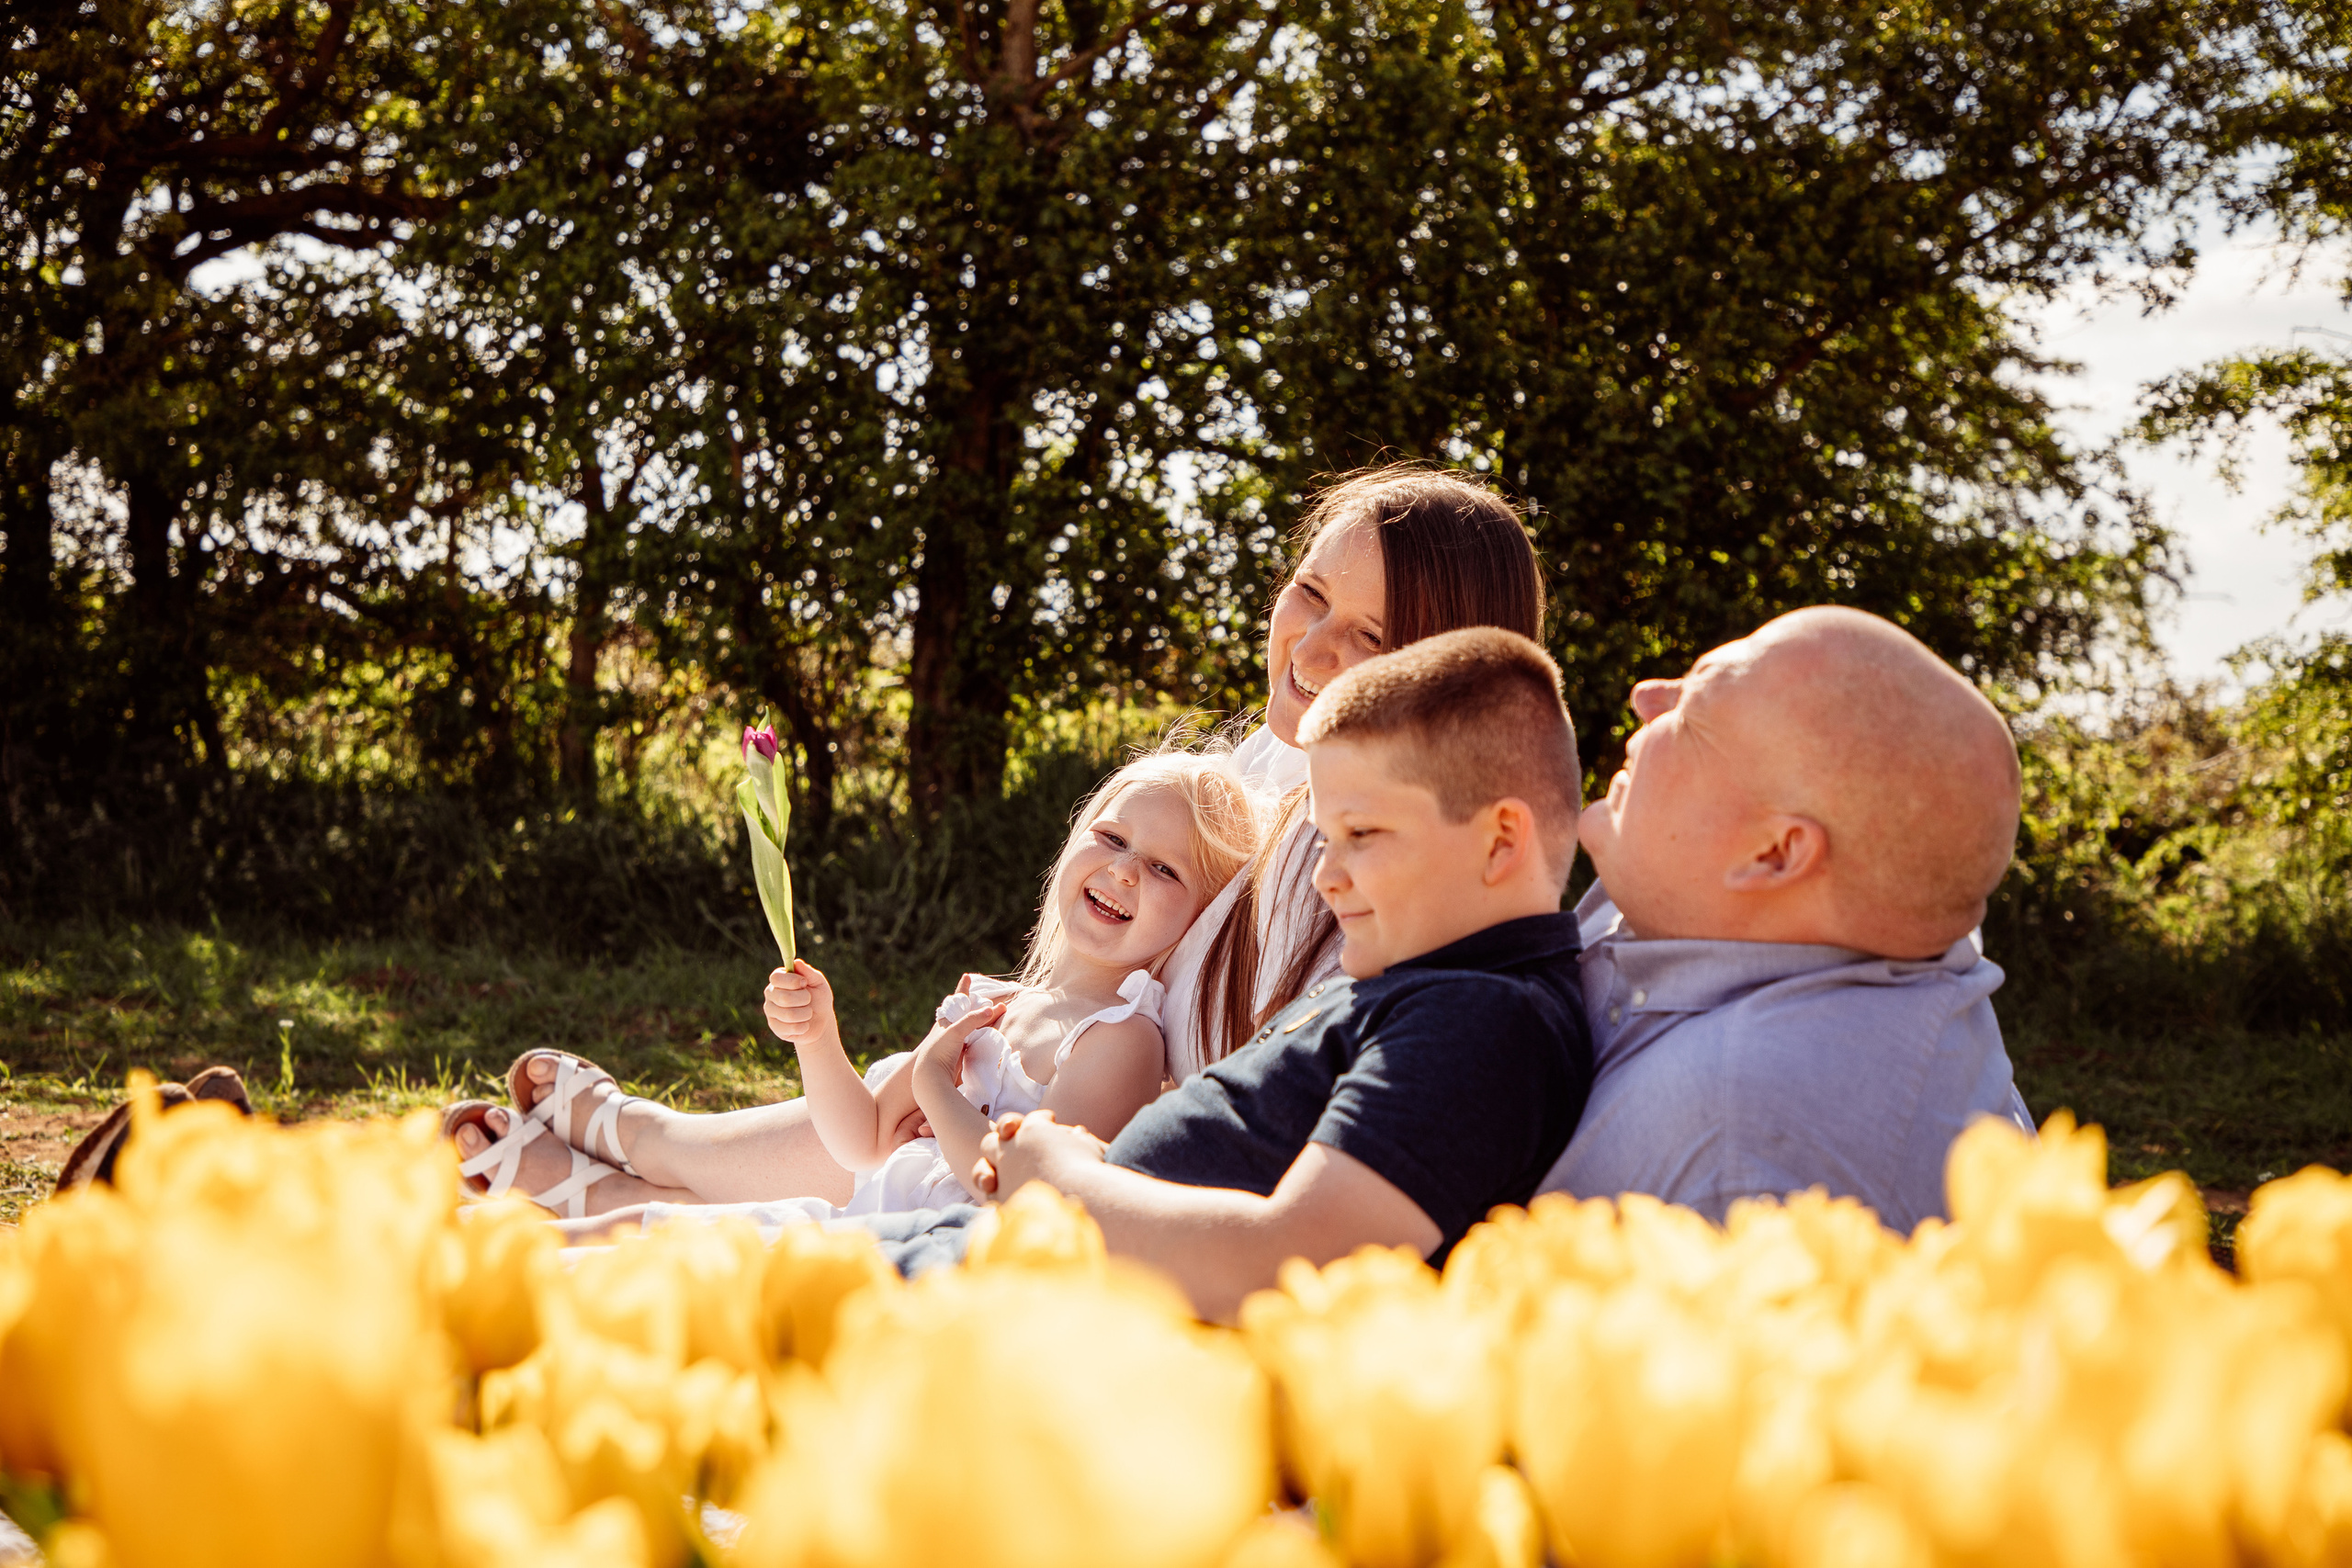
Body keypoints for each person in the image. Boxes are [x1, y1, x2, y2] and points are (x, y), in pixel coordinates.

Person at [447, 463, 1548, 1216]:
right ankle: (651, 1148)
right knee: (909, 1086)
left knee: (918, 1132)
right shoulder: (1263, 766)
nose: (1308, 652)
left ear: (1445, 663)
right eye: (1306, 595)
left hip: (1107, 1164)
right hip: (1045, 1116)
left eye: (1367, 637)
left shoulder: (1382, 860)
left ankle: (633, 1175)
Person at [966, 627, 1594, 1322]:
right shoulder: (1416, 984)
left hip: (1053, 1300)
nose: (1325, 877)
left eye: (1362, 835)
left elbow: (1284, 1260)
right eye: (1326, 838)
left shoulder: (1482, 1021)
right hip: (1024, 1258)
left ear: (1500, 840)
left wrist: (1062, 1185)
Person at [443, 750, 1258, 1220]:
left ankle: (587, 1179)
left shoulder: (1122, 1038)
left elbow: (1031, 1196)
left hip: (912, 1249)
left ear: (1195, 923)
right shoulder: (997, 999)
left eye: (1162, 869)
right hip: (868, 1206)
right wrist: (817, 1038)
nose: (1122, 870)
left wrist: (937, 1082)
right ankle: (591, 1177)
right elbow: (860, 1139)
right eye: (1112, 837)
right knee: (706, 1227)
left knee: (694, 1240)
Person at [1537, 605, 2034, 1232]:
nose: (1648, 698)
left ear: (1772, 854)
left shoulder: (1738, 1152)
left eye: (1696, 713)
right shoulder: (1710, 905)